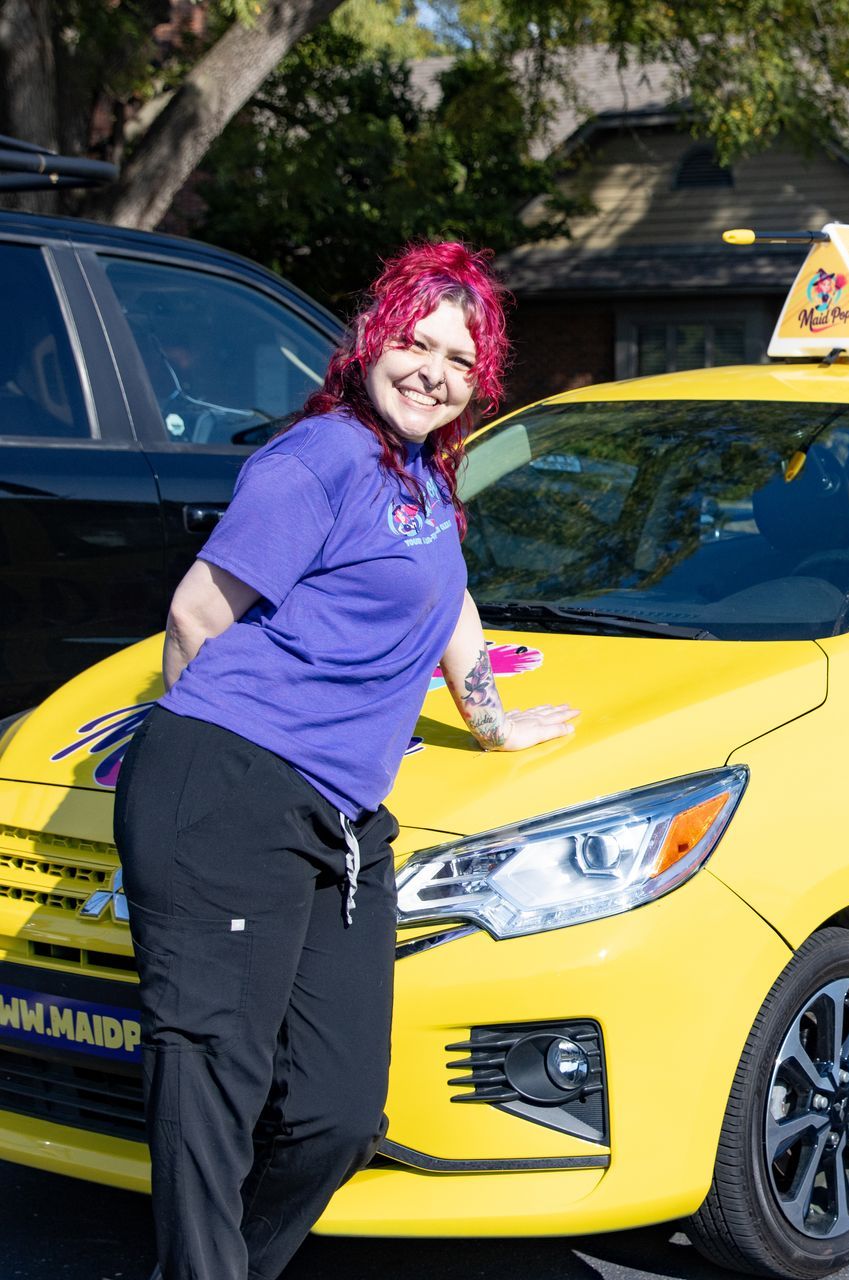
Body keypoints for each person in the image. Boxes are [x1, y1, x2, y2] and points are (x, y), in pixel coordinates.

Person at [111, 242, 580, 1279]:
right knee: (215, 1081)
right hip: (231, 792)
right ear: (373, 340)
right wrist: (231, 755)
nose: (432, 369)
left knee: (335, 1109)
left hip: (340, 820)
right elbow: (195, 617)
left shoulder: (415, 472)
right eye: (414, 341)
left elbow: (446, 596)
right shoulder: (320, 456)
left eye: (458, 357)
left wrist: (494, 721)